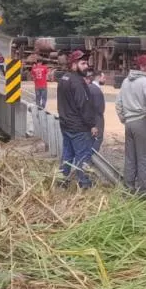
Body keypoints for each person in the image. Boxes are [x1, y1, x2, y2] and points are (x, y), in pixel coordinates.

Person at [116, 55, 146, 197]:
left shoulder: (125, 81)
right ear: (142, 67)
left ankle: (128, 187)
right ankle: (143, 191)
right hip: (143, 121)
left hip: (129, 123)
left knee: (130, 157)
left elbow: (118, 104)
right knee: (145, 157)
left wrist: (125, 119)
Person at [57, 50, 98, 189]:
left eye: (86, 63)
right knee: (83, 156)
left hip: (65, 124)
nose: (86, 66)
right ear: (74, 64)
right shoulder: (77, 82)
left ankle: (61, 181)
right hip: (78, 127)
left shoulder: (63, 79)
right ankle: (85, 184)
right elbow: (83, 106)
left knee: (67, 155)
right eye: (83, 63)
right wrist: (92, 125)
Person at [85, 70, 106, 152]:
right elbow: (99, 108)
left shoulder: (89, 87)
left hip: (89, 117)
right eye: (103, 77)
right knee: (98, 138)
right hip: (96, 118)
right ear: (98, 77)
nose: (105, 80)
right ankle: (91, 158)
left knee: (90, 139)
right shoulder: (96, 90)